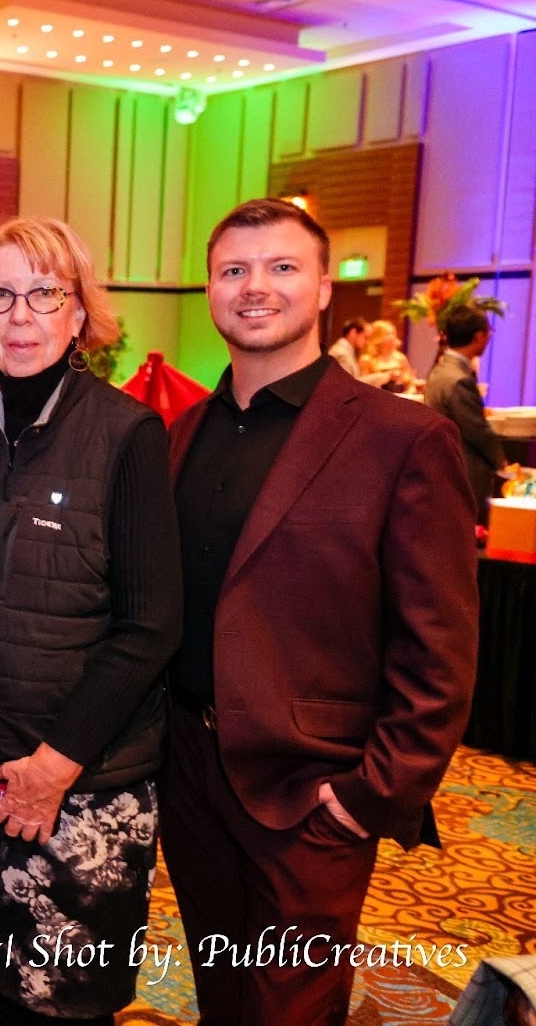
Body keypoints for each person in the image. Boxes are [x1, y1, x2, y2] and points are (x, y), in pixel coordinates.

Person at [162, 198, 478, 1025]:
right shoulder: (181, 431)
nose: (254, 286)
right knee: (223, 994)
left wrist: (372, 792)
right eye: (234, 270)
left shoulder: (400, 437)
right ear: (209, 288)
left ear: (324, 286)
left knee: (292, 1010)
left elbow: (439, 643)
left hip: (313, 786)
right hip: (190, 774)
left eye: (281, 267)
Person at [0, 216, 182, 1025]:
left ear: (79, 312)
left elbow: (150, 626)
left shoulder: (127, 435)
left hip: (84, 792)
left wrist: (55, 765)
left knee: (70, 1012)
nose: (20, 316)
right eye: (1, 295)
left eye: (44, 293)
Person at [425, 306, 507, 523]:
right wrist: (502, 462)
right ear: (479, 336)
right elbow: (476, 430)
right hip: (463, 470)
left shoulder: (440, 370)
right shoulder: (458, 378)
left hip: (441, 466)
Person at [360, 318, 418, 391]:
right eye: (387, 334)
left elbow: (410, 384)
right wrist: (386, 377)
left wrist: (409, 393)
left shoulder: (400, 358)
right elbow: (363, 385)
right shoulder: (367, 360)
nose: (392, 337)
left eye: (393, 333)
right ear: (377, 337)